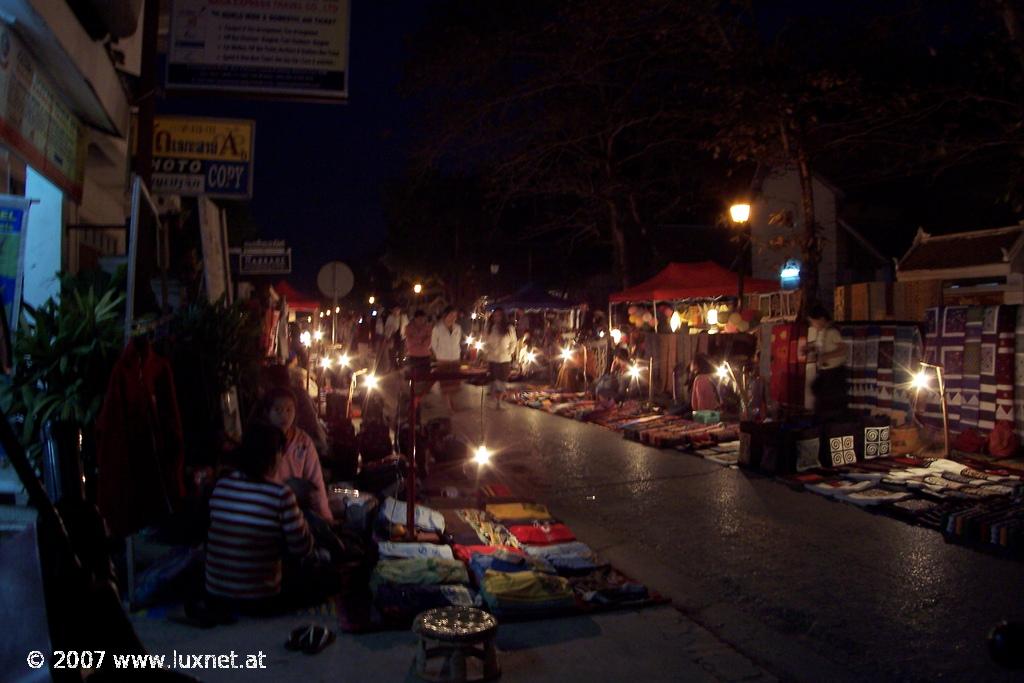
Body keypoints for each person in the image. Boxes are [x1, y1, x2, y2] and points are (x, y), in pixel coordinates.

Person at [205, 422, 316, 608]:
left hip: (215, 592)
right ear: (273, 457)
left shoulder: (221, 485)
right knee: (326, 578)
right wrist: (302, 519)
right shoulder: (281, 494)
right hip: (260, 599)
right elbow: (302, 549)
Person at [263, 386, 333, 522]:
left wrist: (325, 518)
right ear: (267, 412)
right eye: (278, 410)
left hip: (295, 511)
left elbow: (316, 480)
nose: (284, 416)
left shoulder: (303, 442)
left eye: (289, 410)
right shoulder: (260, 440)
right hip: (266, 512)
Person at [808, 304, 848, 418]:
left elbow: (843, 349)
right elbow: (819, 346)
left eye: (813, 322)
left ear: (821, 319)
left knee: (831, 404)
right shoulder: (821, 333)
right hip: (824, 372)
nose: (813, 325)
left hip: (834, 373)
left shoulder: (832, 332)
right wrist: (809, 348)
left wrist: (827, 356)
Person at [431, 306, 463, 412]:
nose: (453, 317)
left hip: (455, 358)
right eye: (451, 315)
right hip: (443, 359)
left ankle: (452, 402)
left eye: (455, 315)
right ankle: (448, 406)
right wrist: (439, 354)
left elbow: (458, 342)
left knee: (454, 383)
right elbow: (434, 344)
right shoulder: (437, 328)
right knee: (445, 384)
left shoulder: (458, 328)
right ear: (445, 315)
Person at [484, 308, 517, 409]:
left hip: (504, 359)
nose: (497, 318)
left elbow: (514, 342)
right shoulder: (489, 327)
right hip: (492, 358)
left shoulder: (509, 328)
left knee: (502, 381)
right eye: (495, 316)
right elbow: (485, 341)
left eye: (499, 315)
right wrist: (487, 351)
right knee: (494, 380)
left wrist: (509, 351)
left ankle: (500, 401)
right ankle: (494, 401)